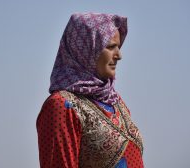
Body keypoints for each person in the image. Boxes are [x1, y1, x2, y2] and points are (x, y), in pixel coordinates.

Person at [36, 12, 144, 168]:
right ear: (86, 48)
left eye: (118, 47)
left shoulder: (115, 102)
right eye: (110, 47)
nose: (118, 55)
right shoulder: (62, 106)